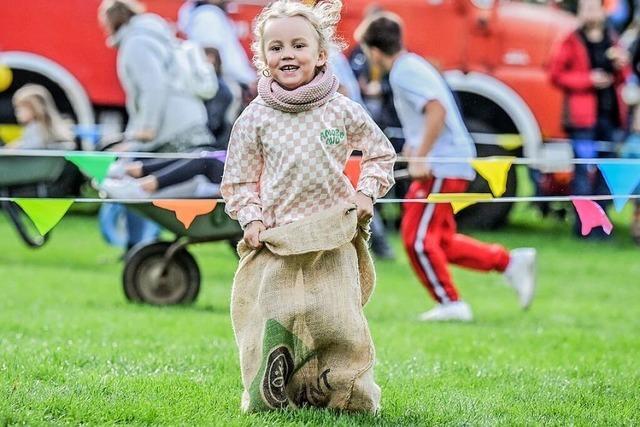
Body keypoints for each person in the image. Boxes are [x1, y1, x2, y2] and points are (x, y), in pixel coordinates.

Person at [221, 0, 395, 411]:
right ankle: (274, 389)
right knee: (278, 316)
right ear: (263, 57)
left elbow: (380, 154)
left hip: (332, 233)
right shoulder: (255, 117)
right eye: (276, 47)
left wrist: (365, 193)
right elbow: (239, 179)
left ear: (320, 55)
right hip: (278, 238)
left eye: (298, 45)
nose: (287, 54)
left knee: (335, 318)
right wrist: (252, 218)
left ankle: (345, 389)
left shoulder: (340, 110)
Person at [357, 13, 537, 322]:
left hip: (442, 165)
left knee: (417, 240)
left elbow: (436, 109)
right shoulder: (411, 65)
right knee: (439, 242)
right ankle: (509, 262)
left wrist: (422, 156)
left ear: (374, 52)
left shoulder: (403, 72)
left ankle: (451, 303)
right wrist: (415, 147)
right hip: (446, 161)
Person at [549, 0, 629, 239]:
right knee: (583, 173)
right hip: (582, 120)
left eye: (593, 8)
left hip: (610, 117)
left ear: (602, 12)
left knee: (607, 173)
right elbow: (556, 74)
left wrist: (620, 65)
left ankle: (602, 225)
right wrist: (588, 80)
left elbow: (624, 77)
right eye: (585, 9)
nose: (589, 13)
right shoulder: (571, 40)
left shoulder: (612, 38)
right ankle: (583, 226)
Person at [98, 0, 214, 154]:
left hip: (173, 130)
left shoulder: (136, 43)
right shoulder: (155, 36)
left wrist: (147, 127)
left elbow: (153, 87)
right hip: (189, 121)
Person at [7, 84, 74, 150]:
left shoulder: (36, 129)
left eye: (20, 108)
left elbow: (33, 148)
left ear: (34, 108)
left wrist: (18, 147)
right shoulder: (34, 128)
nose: (17, 113)